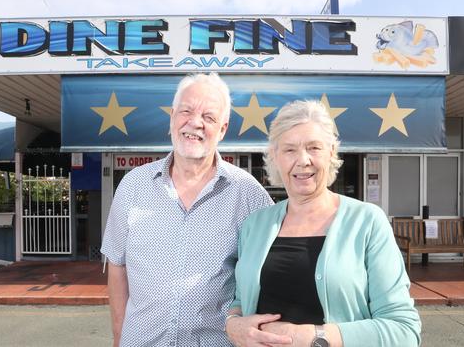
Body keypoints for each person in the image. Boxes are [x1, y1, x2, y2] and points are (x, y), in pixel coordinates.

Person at [225, 100, 421, 347]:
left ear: (331, 153)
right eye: (289, 150)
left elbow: (403, 331)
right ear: (275, 158)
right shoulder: (255, 224)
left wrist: (310, 338)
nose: (303, 160)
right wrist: (232, 323)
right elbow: (241, 301)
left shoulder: (368, 222)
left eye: (313, 147)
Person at [100, 73, 274, 346]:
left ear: (223, 129)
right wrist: (119, 337)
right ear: (172, 117)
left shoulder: (247, 193)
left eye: (209, 117)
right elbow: (117, 265)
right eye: (187, 111)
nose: (195, 123)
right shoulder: (133, 185)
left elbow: (271, 271)